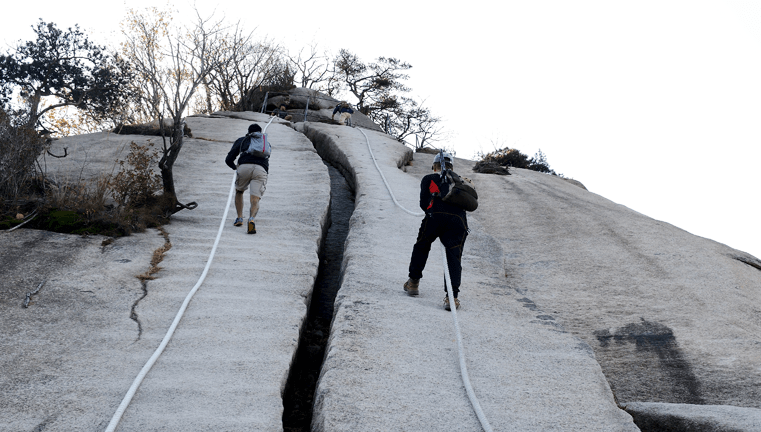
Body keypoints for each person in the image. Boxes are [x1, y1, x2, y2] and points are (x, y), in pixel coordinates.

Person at [404, 152, 468, 310]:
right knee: (454, 256)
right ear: (451, 167)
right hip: (457, 222)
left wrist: (435, 211)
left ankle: (413, 283)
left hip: (435, 217)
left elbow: (423, 203)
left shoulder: (429, 178)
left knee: (422, 245)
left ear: (434, 166)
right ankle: (452, 297)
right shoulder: (459, 181)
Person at [225, 124, 269, 234]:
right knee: (255, 197)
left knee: (239, 191)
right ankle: (251, 219)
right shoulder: (265, 142)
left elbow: (229, 158)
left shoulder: (243, 140)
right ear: (260, 132)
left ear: (248, 132)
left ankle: (239, 218)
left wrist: (235, 167)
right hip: (260, 169)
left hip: (244, 167)